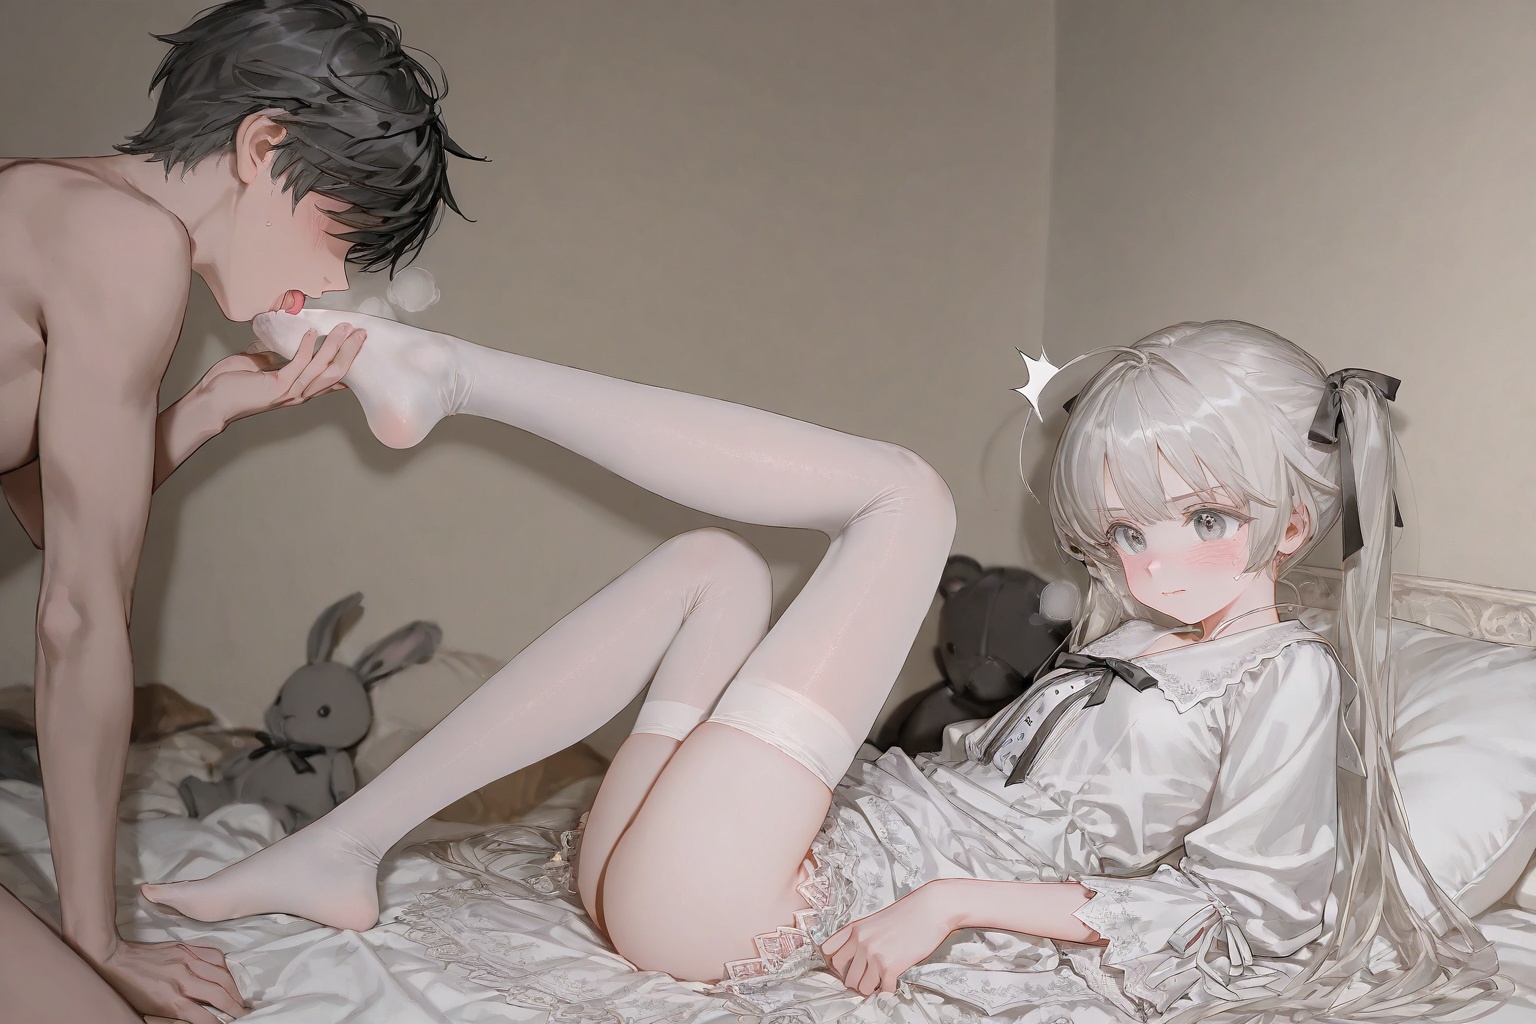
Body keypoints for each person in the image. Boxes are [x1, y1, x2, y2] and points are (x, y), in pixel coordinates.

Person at [144, 314, 1506, 1020]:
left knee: (906, 497)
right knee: (715, 566)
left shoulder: (1288, 678)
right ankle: (349, 844)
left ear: (1290, 523)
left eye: (1200, 520)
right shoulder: (1134, 640)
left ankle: (455, 377)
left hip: (757, 908)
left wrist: (953, 902)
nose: (1152, 562)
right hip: (684, 869)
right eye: (1128, 531)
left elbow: (1245, 917)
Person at [0, 2, 477, 1020]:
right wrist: (98, 939)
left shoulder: (54, 200)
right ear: (264, 146)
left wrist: (209, 408)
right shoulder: (126, 244)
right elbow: (78, 613)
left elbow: (40, 509)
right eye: (343, 229)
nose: (335, 276)